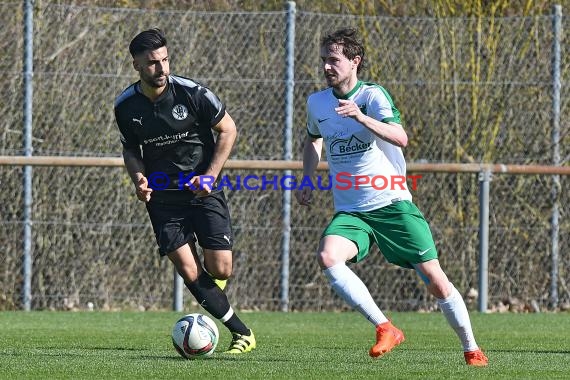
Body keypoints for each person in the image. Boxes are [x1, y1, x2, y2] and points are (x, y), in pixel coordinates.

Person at [295, 27, 487, 366]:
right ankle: (386, 328)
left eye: (334, 60)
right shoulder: (317, 103)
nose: (326, 66)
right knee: (328, 256)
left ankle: (472, 348)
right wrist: (307, 178)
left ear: (355, 62)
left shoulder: (372, 96)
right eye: (324, 60)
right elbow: (313, 139)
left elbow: (400, 137)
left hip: (392, 204)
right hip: (352, 211)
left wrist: (360, 116)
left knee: (436, 281)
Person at [113, 28, 255, 354]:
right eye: (152, 63)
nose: (161, 69)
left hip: (203, 192)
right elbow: (131, 149)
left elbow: (228, 129)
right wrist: (138, 178)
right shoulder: (126, 106)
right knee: (190, 270)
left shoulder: (192, 93)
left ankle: (210, 299)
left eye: (164, 60)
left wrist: (209, 176)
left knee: (220, 269)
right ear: (136, 64)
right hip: (163, 199)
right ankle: (241, 333)